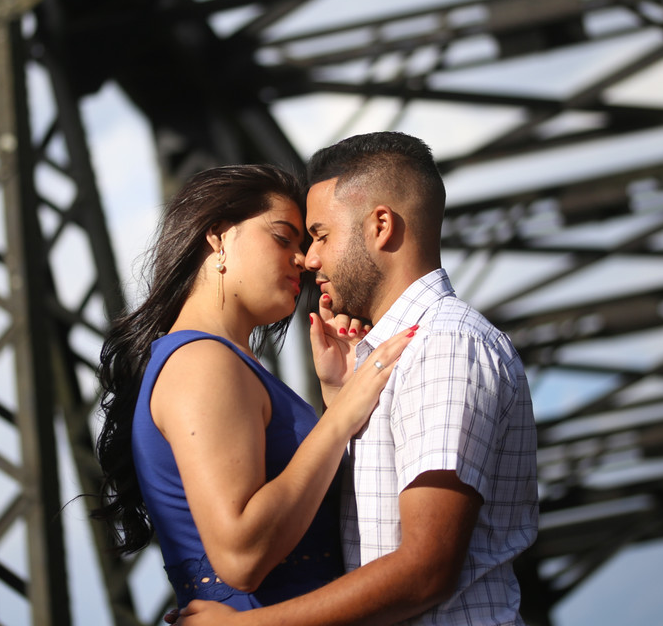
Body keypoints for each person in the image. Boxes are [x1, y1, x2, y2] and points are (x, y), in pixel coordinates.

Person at [176, 132, 539, 625]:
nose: (310, 259)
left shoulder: (445, 345)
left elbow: (426, 570)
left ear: (381, 226)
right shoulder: (399, 356)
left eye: (320, 234)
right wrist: (338, 400)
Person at [94, 164, 418, 612]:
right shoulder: (200, 362)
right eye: (283, 238)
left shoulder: (223, 363)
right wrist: (341, 419)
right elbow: (240, 555)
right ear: (218, 238)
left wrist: (337, 400)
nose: (304, 260)